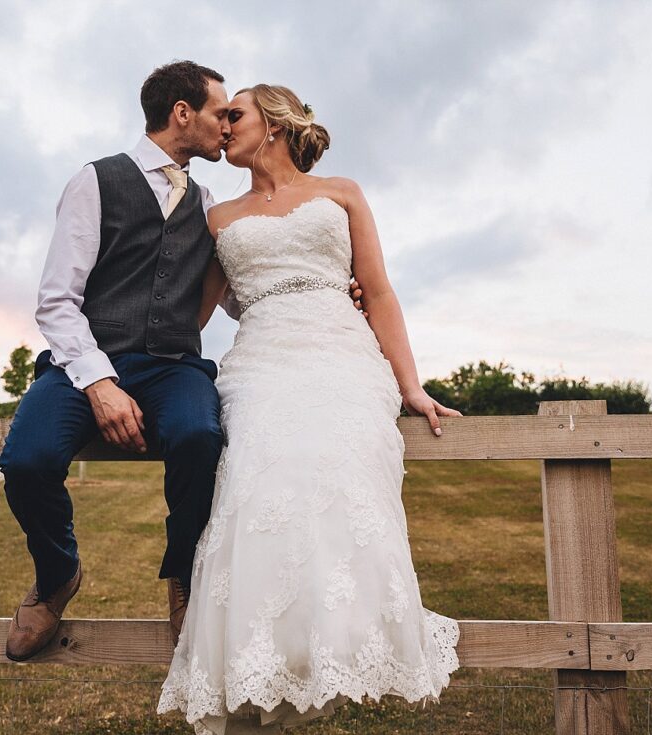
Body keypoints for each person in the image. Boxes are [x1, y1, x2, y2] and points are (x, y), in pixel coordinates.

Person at [157, 84, 461, 734]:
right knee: (258, 473)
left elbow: (378, 293)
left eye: (233, 113)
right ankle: (261, 660)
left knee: (339, 462)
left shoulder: (342, 193)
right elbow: (192, 315)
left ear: (272, 121)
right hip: (262, 357)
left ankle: (337, 639)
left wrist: (411, 384)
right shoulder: (218, 219)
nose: (222, 125)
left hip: (342, 351)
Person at [0, 61, 232, 661]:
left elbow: (237, 290)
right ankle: (57, 574)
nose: (226, 126)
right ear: (183, 113)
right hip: (83, 361)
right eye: (218, 113)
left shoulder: (208, 202)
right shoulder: (94, 180)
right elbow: (56, 301)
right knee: (26, 459)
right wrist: (99, 381)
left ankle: (184, 576)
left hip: (174, 364)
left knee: (199, 435)